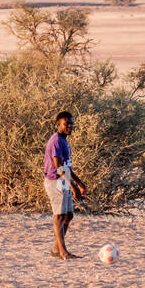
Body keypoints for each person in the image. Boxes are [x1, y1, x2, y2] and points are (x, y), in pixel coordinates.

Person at [44, 110, 87, 260]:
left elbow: (67, 166)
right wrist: (72, 185)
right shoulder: (56, 140)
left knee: (68, 215)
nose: (70, 126)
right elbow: (58, 166)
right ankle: (63, 252)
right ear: (58, 125)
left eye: (71, 123)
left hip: (63, 181)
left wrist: (78, 182)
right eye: (66, 124)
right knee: (59, 216)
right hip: (56, 181)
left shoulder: (64, 140)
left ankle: (56, 249)